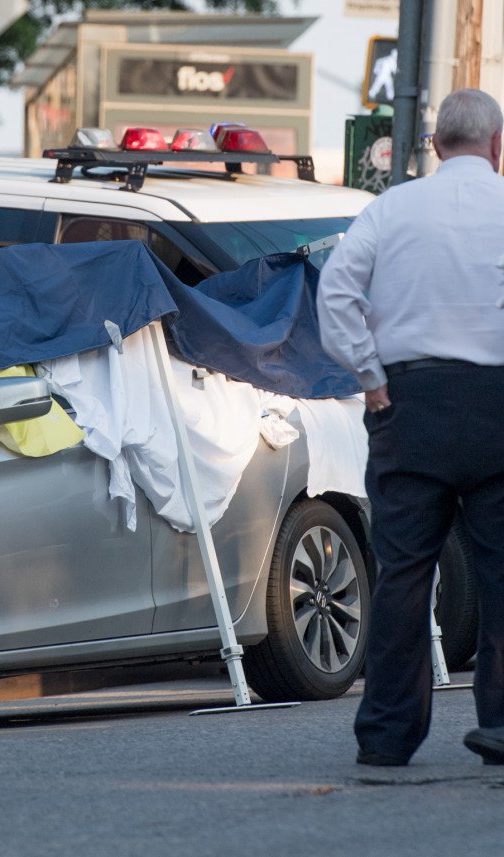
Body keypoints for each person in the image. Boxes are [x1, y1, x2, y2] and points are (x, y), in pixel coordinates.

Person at [317, 88, 504, 767]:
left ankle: (389, 734)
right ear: (497, 146)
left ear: (434, 147)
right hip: (498, 404)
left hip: (409, 401)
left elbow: (334, 293)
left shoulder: (391, 208)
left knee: (403, 571)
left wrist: (370, 376)